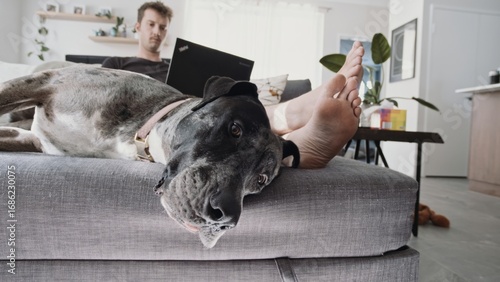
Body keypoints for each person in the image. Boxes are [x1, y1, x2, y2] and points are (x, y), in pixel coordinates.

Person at [102, 1, 364, 169]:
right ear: (137, 26)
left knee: (235, 114)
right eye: (151, 24)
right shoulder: (118, 62)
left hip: (196, 111)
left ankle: (293, 135)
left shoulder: (176, 64)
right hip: (155, 118)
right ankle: (292, 135)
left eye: (162, 26)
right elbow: (108, 104)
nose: (156, 31)